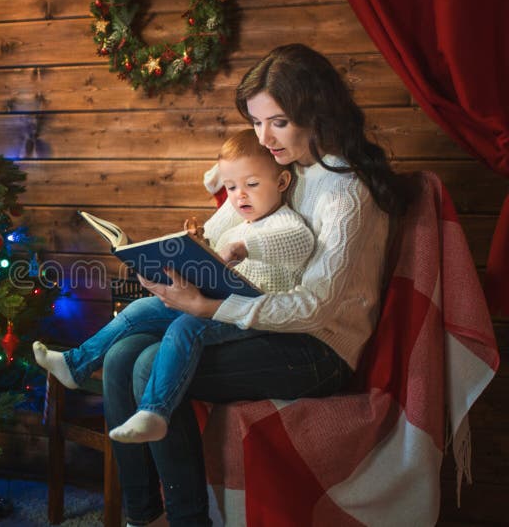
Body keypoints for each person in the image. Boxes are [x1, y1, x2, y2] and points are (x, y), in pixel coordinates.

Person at [100, 43, 421, 527]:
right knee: (120, 354)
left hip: (316, 350)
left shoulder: (347, 189)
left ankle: (187, 521)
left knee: (146, 364)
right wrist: (175, 266)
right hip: (264, 328)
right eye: (255, 121)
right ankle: (142, 516)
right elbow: (224, 240)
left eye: (278, 121)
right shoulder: (284, 170)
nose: (264, 136)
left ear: (316, 112)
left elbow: (314, 308)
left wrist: (207, 309)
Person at [33, 129, 315, 444]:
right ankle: (76, 364)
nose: (239, 196)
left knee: (185, 327)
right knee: (139, 308)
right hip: (213, 302)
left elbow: (298, 243)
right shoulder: (238, 218)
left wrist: (244, 247)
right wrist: (196, 246)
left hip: (250, 314)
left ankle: (155, 412)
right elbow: (213, 254)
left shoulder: (286, 222)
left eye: (251, 185)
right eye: (231, 187)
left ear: (281, 183)